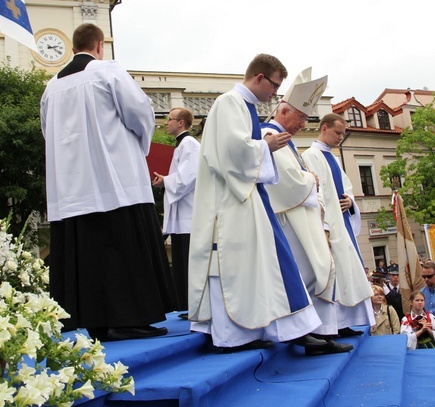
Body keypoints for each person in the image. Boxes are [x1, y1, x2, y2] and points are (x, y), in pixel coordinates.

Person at [187, 54, 342, 355]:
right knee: (239, 265)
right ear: (259, 78)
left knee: (263, 264)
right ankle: (237, 334)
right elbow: (227, 153)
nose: (274, 93)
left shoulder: (245, 107)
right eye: (274, 86)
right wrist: (265, 146)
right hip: (231, 201)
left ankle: (269, 330)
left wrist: (262, 149)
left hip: (247, 196)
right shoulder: (228, 103)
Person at [41, 23, 177, 341]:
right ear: (99, 45)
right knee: (121, 246)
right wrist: (138, 147)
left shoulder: (51, 87)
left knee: (84, 251)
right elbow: (140, 111)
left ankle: (93, 321)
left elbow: (48, 132)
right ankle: (129, 318)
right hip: (114, 177)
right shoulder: (107, 71)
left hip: (71, 187)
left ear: (74, 47)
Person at [261, 101, 369, 346]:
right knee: (314, 273)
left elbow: (338, 187)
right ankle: (317, 332)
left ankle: (326, 330)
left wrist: (349, 200)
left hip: (310, 217)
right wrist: (310, 180)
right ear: (284, 111)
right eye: (299, 118)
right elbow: (288, 180)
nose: (302, 124)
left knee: (322, 273)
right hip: (293, 221)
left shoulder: (288, 142)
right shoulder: (270, 135)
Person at [152, 107, 200, 313]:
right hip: (182, 214)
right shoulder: (181, 146)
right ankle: (186, 305)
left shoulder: (189, 144)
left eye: (169, 119)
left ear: (181, 123)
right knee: (181, 263)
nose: (166, 123)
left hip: (189, 215)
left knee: (188, 262)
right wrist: (166, 181)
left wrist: (166, 180)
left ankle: (192, 305)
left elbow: (188, 177)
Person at [302, 114, 363, 265]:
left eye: (343, 134)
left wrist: (350, 200)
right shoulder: (311, 155)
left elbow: (346, 186)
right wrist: (325, 226)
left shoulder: (333, 157)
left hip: (343, 219)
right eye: (337, 133)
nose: (341, 137)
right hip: (330, 222)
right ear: (324, 128)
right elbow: (317, 193)